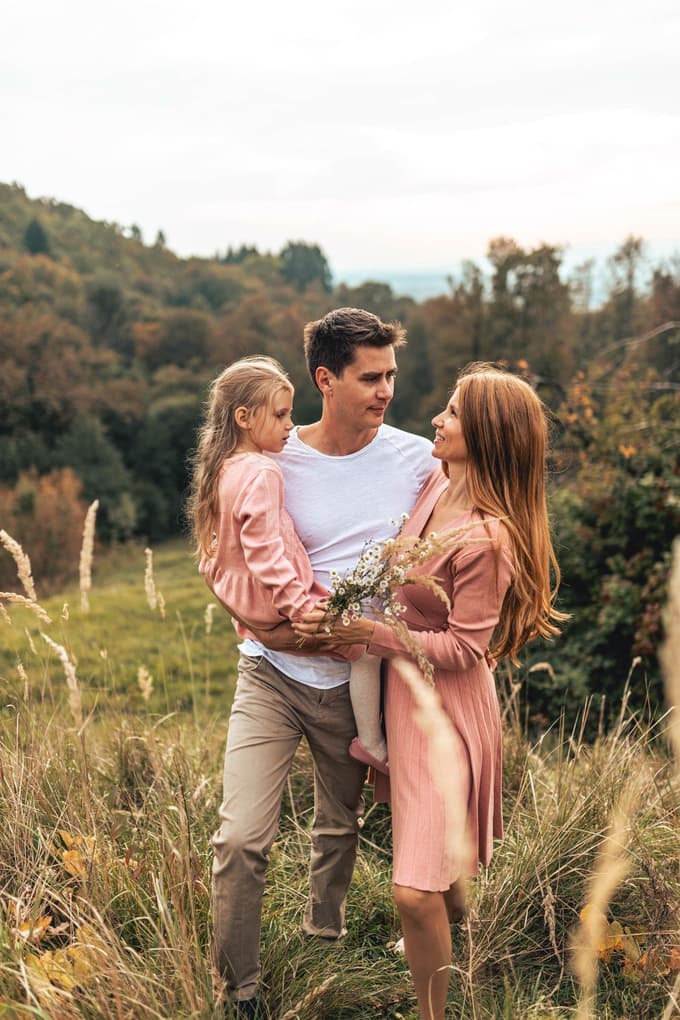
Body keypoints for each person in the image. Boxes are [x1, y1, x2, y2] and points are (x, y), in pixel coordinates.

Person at [294, 363, 567, 1020]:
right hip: (404, 699)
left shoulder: (489, 537)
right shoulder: (438, 484)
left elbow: (465, 649)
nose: (436, 420)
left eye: (451, 412)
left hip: (446, 713)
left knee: (414, 891)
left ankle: (433, 1012)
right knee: (434, 875)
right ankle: (449, 959)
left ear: (488, 435)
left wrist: (375, 631)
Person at [190, 309, 433, 1018]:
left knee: (339, 825)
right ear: (324, 379)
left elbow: (470, 510)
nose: (386, 390)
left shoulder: (415, 458)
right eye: (370, 377)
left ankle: (322, 940)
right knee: (240, 838)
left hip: (360, 681)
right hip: (271, 673)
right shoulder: (268, 457)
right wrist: (268, 622)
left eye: (391, 374)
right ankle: (239, 992)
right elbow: (218, 547)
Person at [193, 355, 389, 771]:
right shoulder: (263, 471)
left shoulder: (223, 468)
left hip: (247, 603)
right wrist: (301, 607)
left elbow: (219, 553)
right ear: (244, 417)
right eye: (280, 415)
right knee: (367, 649)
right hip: (280, 599)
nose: (289, 425)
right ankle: (373, 744)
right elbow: (266, 552)